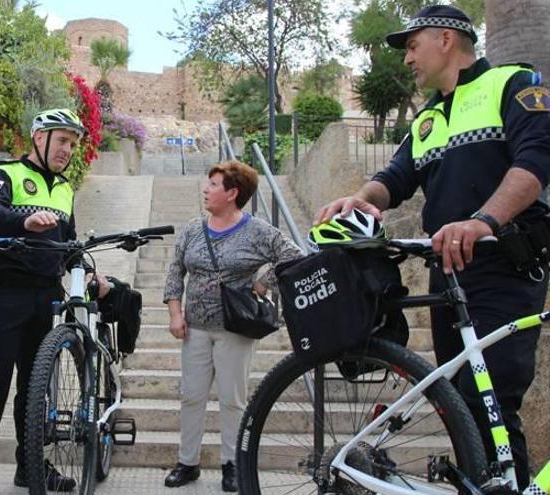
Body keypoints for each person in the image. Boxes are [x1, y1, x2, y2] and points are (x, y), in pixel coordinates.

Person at [314, 5, 550, 488]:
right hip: (450, 277)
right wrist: (359, 199)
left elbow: (537, 160)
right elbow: (395, 177)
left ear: (446, 39)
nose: (406, 59)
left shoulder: (512, 84)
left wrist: (483, 221)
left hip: (503, 268)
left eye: (412, 45)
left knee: (491, 403)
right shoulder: (428, 119)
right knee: (463, 405)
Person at [0, 108, 109, 495]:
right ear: (39, 138)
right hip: (4, 292)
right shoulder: (5, 174)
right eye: (62, 141)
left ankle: (30, 467)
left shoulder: (64, 189)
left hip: (45, 297)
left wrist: (89, 271)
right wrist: (22, 222)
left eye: (73, 144)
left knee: (35, 388)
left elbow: (69, 243)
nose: (67, 150)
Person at [163, 160, 302, 492]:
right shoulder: (194, 229)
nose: (205, 189)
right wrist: (175, 313)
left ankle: (233, 465)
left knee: (232, 400)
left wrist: (263, 284)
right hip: (194, 328)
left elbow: (294, 257)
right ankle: (187, 463)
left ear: (232, 193)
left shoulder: (257, 231)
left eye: (213, 185)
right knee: (192, 397)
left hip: (235, 331)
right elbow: (174, 271)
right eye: (207, 184)